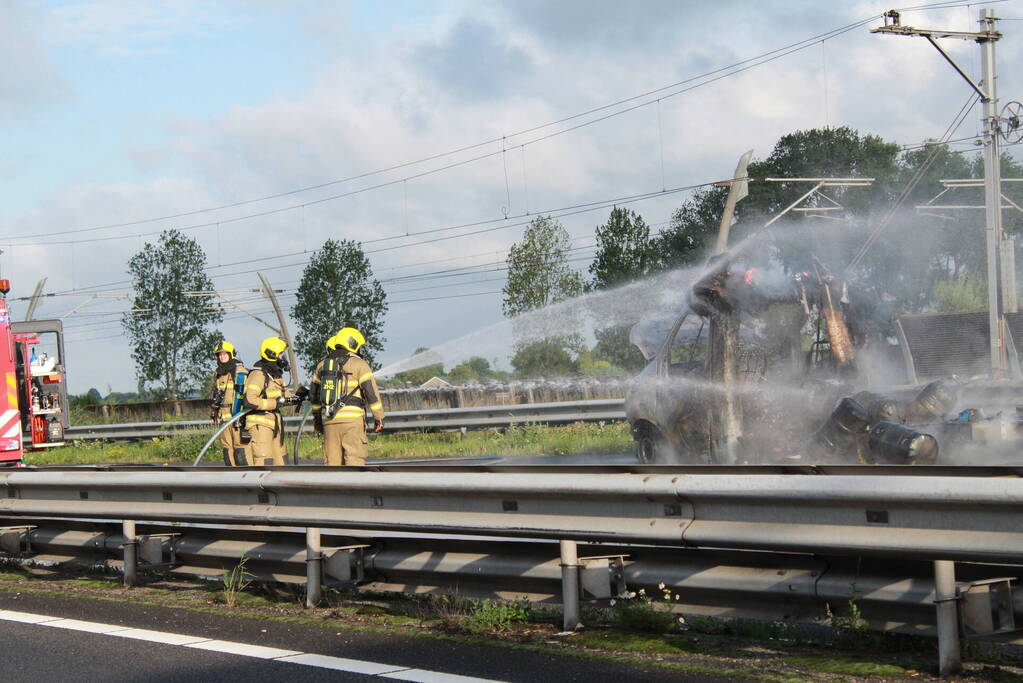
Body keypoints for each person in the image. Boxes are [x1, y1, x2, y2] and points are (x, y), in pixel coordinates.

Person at [309, 327, 384, 466]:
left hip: (329, 420)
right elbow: (371, 394)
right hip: (353, 421)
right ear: (353, 344)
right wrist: (379, 417)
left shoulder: (322, 365)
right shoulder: (359, 364)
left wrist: (317, 421)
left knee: (332, 464)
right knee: (354, 462)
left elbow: (313, 396)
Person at [244, 337, 306, 466]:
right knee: (264, 461)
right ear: (272, 355)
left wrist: (299, 396)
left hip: (275, 424)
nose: (283, 357)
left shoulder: (276, 376)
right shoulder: (258, 374)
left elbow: (285, 398)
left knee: (282, 461)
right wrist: (275, 403)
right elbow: (249, 400)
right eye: (281, 354)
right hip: (260, 424)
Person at [211, 340, 250, 466]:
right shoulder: (219, 373)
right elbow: (216, 395)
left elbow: (246, 394)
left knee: (240, 446)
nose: (222, 357)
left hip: (236, 415)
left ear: (231, 354)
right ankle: (231, 473)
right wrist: (214, 413)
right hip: (223, 417)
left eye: (224, 354)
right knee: (227, 446)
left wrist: (243, 415)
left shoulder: (239, 371)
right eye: (220, 355)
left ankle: (245, 473)